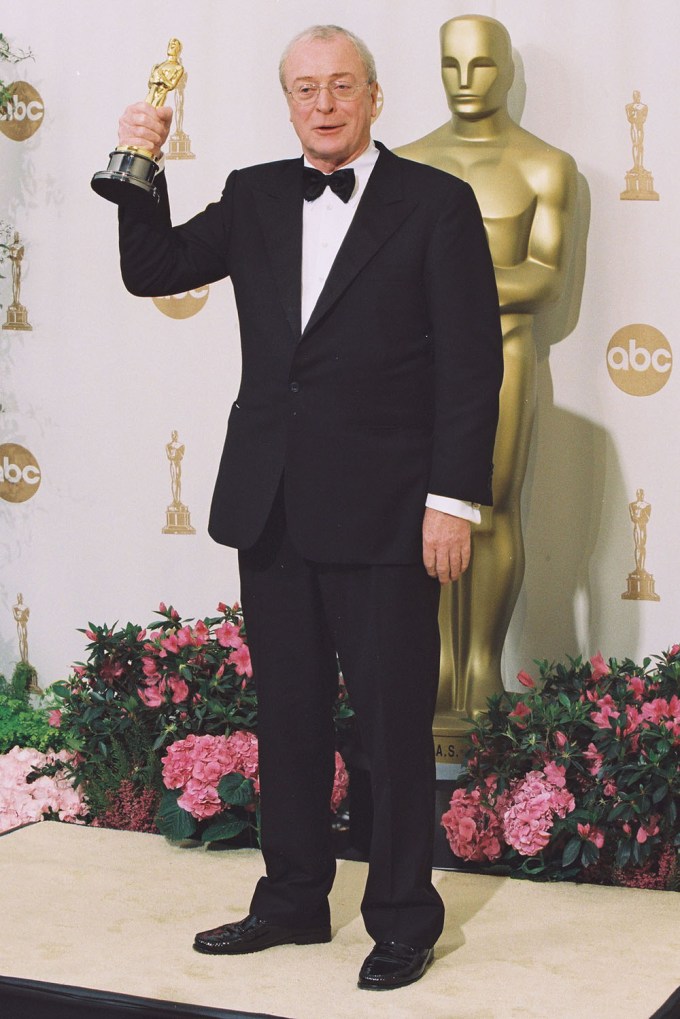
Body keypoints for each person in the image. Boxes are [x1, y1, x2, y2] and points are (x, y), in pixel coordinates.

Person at [114, 24, 502, 991]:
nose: (323, 104)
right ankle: (291, 899)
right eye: (304, 90)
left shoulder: (438, 204)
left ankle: (405, 915)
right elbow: (152, 267)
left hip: (390, 512)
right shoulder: (251, 193)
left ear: (373, 95)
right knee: (288, 715)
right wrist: (139, 159)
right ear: (287, 102)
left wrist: (451, 500)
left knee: (392, 721)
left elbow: (470, 369)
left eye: (340, 87)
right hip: (273, 504)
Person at [396, 15, 577, 724]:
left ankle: (482, 668)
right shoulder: (403, 162)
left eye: (481, 67)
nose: (466, 83)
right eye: (452, 66)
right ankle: (438, 663)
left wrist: (444, 280)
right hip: (412, 359)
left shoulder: (543, 165)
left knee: (490, 512)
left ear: (507, 71)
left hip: (503, 353)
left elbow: (545, 278)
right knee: (423, 511)